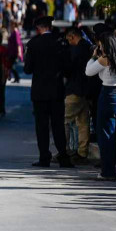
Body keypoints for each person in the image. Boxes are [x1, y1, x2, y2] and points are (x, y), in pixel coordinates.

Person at [23, 16, 74, 168]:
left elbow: (27, 69)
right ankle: (63, 157)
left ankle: (44, 157)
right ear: (50, 26)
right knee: (58, 124)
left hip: (39, 91)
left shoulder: (33, 43)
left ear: (38, 28)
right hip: (57, 90)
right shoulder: (60, 42)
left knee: (42, 126)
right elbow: (68, 68)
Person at [85, 33, 116, 180]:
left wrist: (93, 56)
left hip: (108, 94)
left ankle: (108, 171)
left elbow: (88, 71)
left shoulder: (105, 59)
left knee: (105, 134)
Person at [64, 27, 93, 164]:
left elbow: (70, 68)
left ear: (72, 36)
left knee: (64, 120)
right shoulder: (88, 47)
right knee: (83, 122)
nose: (68, 42)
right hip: (86, 90)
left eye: (69, 39)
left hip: (75, 89)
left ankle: (63, 150)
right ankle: (82, 152)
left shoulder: (76, 50)